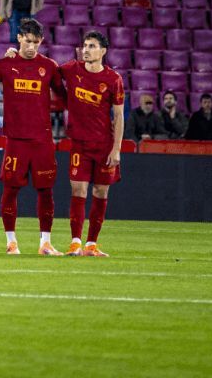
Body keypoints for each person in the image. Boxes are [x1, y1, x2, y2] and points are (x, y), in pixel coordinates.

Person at [0, 18, 65, 255]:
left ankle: (45, 243)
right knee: (10, 190)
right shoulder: (4, 65)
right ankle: (11, 242)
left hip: (42, 140)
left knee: (46, 191)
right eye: (28, 41)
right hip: (16, 140)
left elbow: (66, 98)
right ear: (19, 38)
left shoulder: (49, 66)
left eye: (36, 43)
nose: (31, 47)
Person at [58, 32, 125, 257]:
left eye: (92, 46)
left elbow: (119, 116)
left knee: (100, 192)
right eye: (85, 45)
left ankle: (91, 244)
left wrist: (117, 149)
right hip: (79, 144)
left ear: (103, 51)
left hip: (104, 145)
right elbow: (48, 72)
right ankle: (75, 242)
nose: (86, 49)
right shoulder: (71, 69)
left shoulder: (113, 79)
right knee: (78, 189)